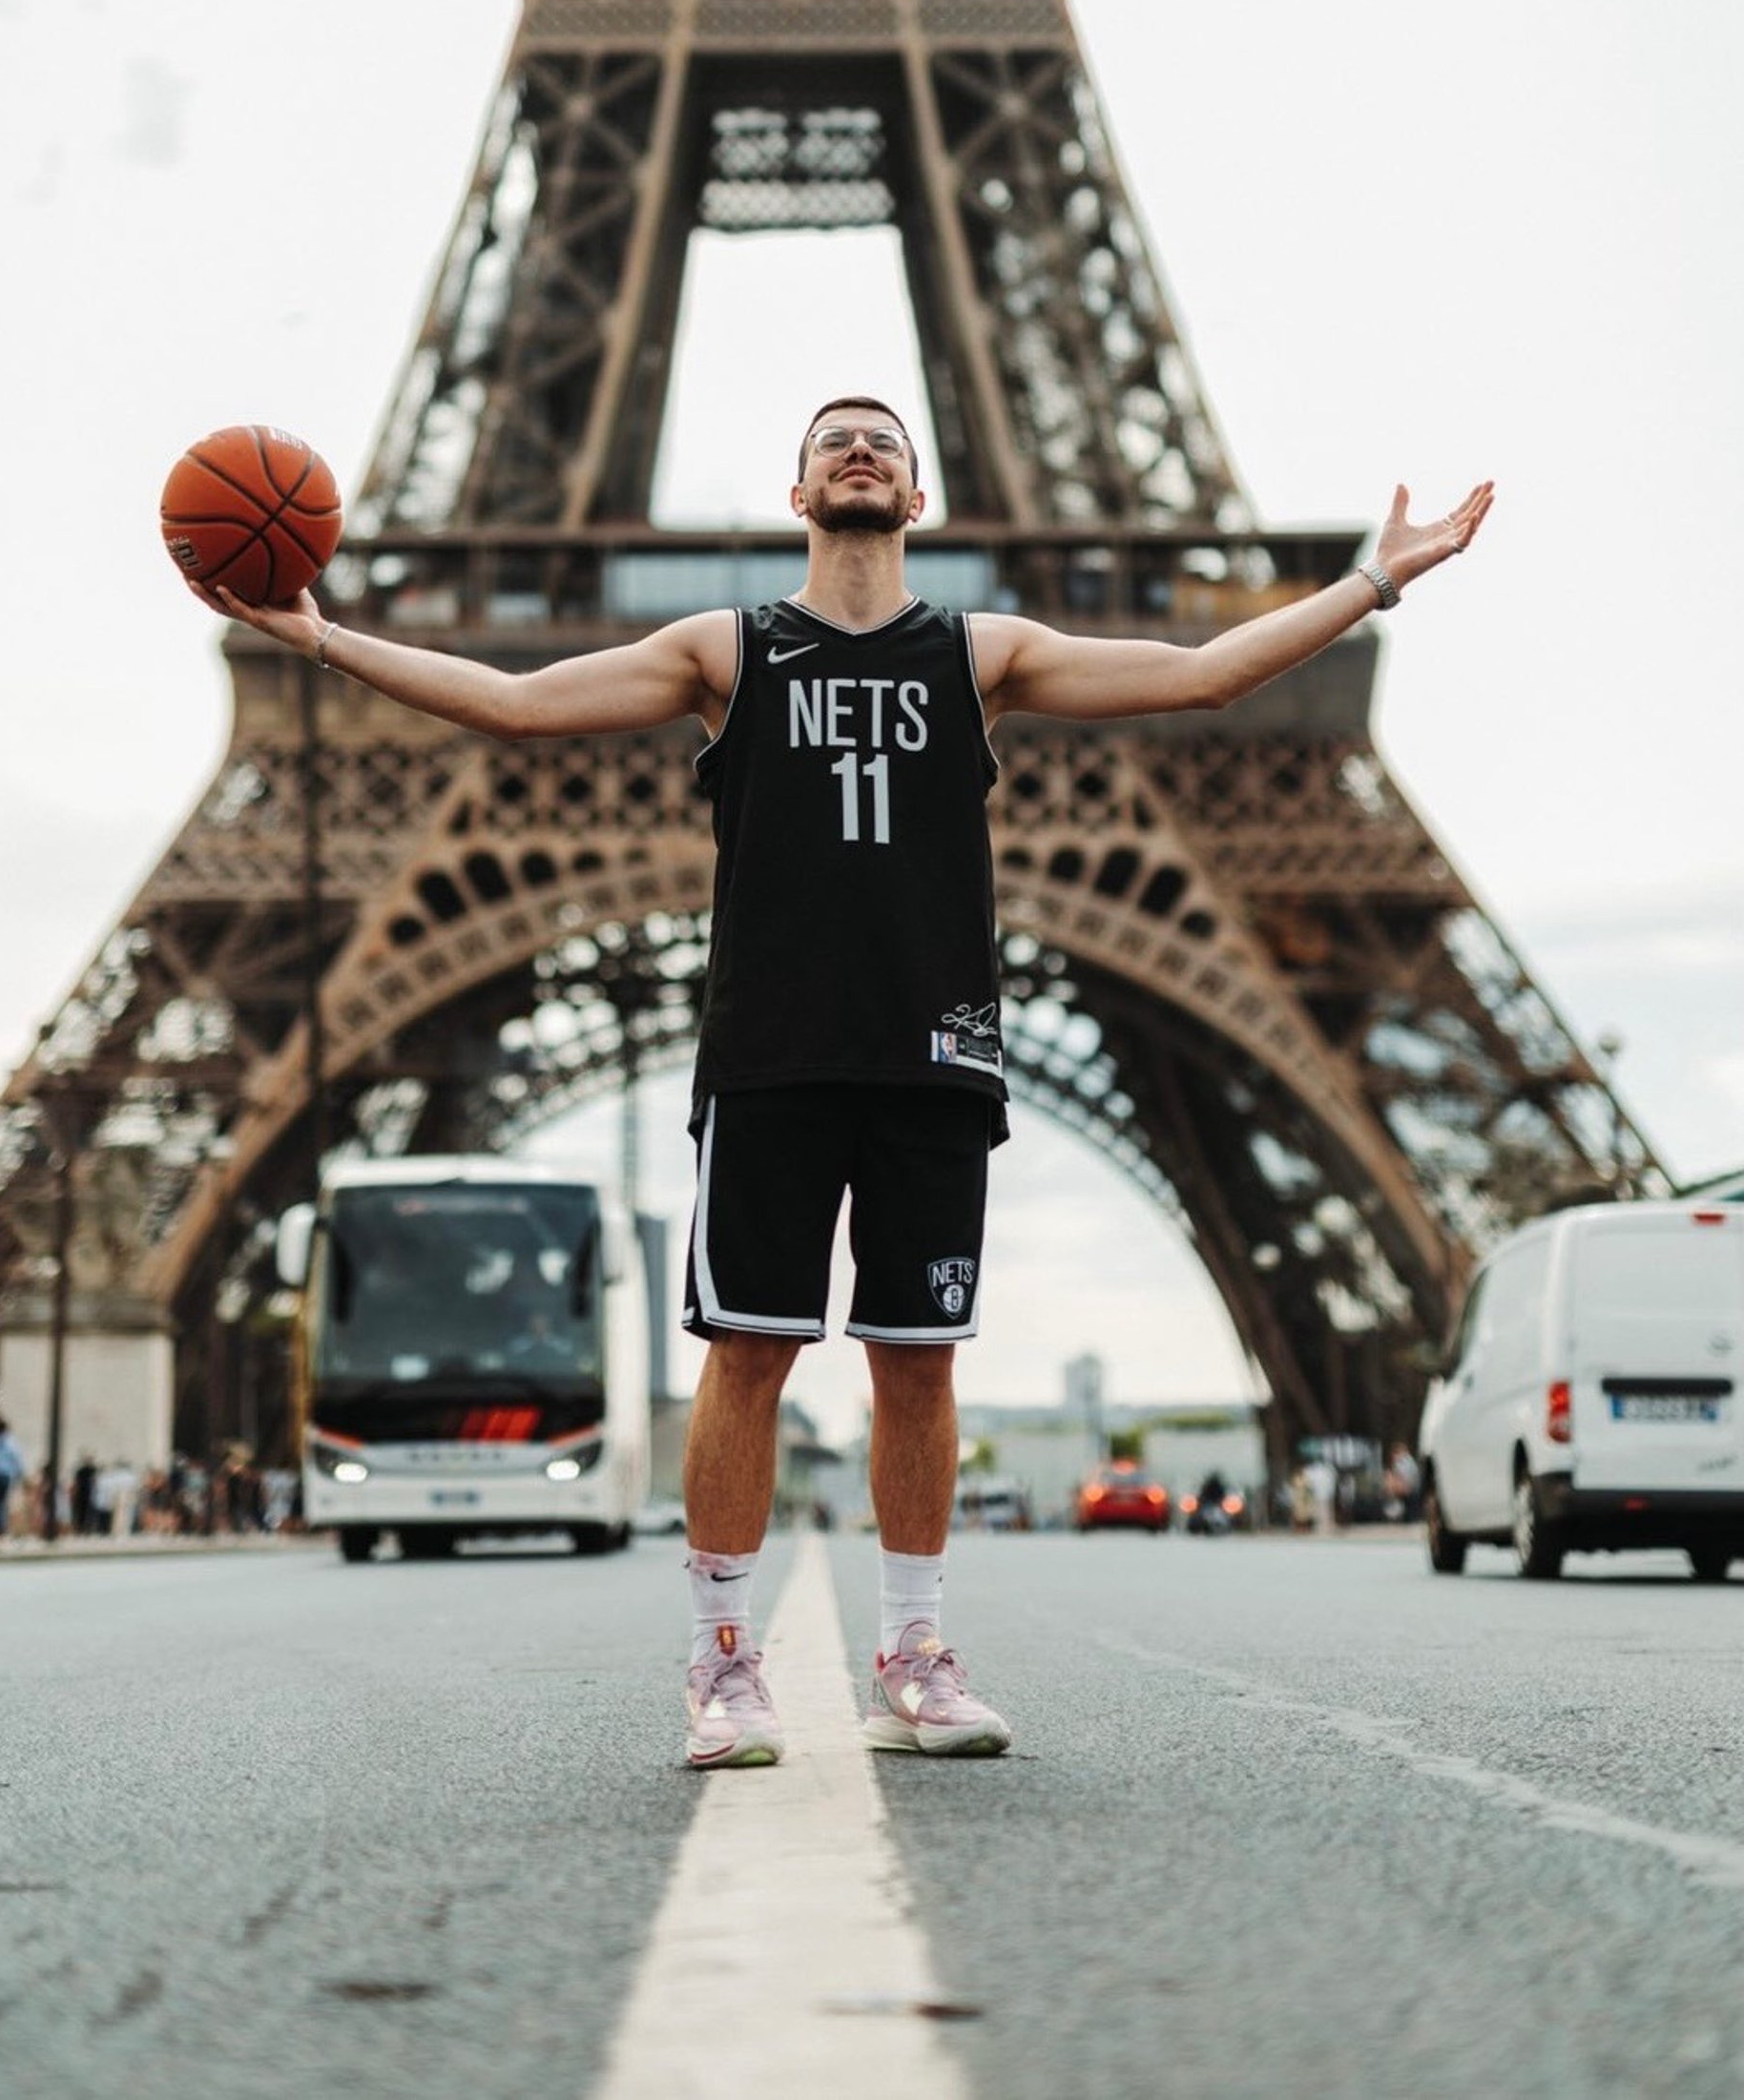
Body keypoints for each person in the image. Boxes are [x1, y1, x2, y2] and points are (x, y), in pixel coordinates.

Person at [202, 396, 1491, 1765]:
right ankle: (720, 1662)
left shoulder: (983, 651)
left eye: (883, 439)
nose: (860, 449)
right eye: (834, 441)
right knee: (747, 1352)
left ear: (918, 498)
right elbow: (518, 708)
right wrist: (321, 638)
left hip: (936, 1050)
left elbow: (1211, 673)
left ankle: (915, 1653)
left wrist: (1370, 578)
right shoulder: (727, 648)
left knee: (918, 1366)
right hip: (774, 1051)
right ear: (799, 491)